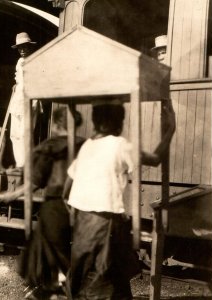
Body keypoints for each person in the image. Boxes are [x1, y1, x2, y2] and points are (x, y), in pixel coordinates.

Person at [63, 98, 176, 300]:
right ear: (117, 122)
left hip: (82, 224)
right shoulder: (120, 145)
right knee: (107, 281)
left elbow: (67, 188)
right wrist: (170, 130)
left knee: (87, 278)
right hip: (105, 223)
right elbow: (155, 159)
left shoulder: (88, 146)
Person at [0, 107, 85, 299]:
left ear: (55, 124)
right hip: (82, 206)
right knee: (65, 253)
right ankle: (55, 291)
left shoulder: (50, 146)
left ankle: (55, 292)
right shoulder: (85, 145)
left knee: (49, 253)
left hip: (55, 207)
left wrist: (11, 196)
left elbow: (35, 182)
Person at [9, 32, 37, 168]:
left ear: (29, 47)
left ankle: (26, 165)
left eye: (25, 47)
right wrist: (16, 84)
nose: (22, 50)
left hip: (30, 99)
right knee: (14, 134)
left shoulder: (36, 60)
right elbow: (18, 78)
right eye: (20, 48)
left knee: (25, 133)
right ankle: (20, 163)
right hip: (17, 101)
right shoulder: (19, 62)